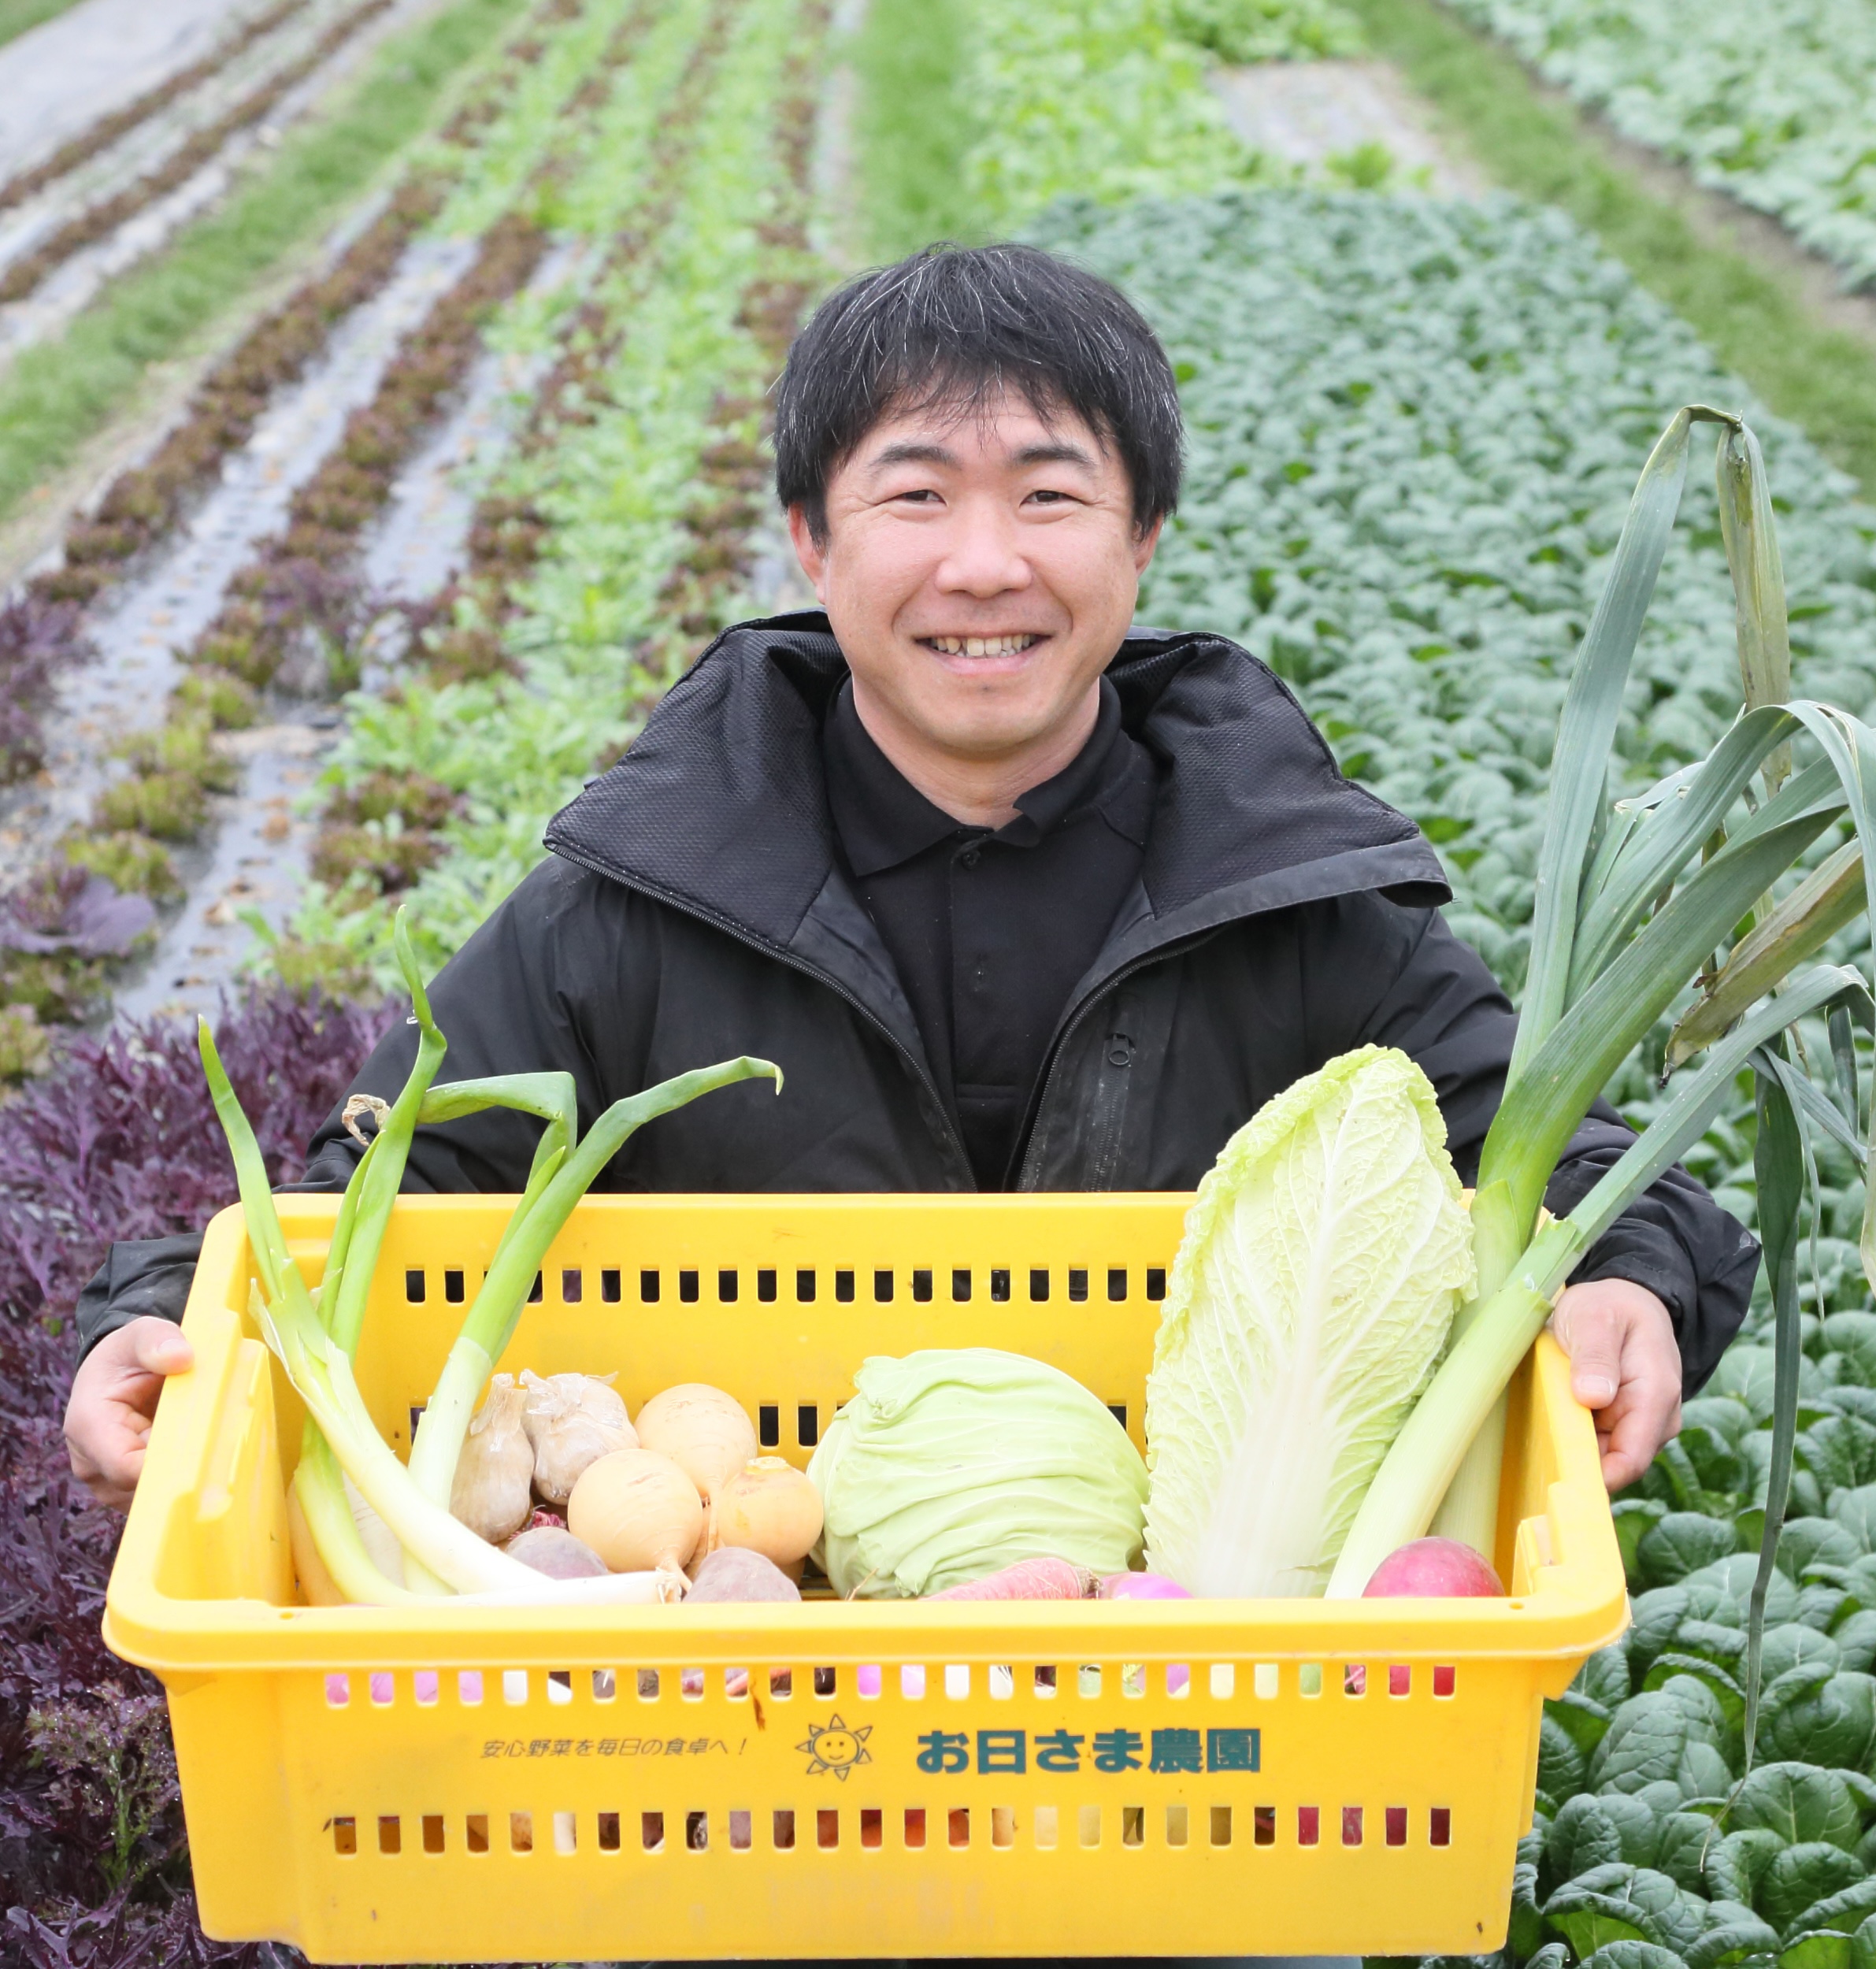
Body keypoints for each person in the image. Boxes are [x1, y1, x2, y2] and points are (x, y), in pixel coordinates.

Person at [64, 242, 1759, 1520]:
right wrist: (159, 1316)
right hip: (731, 1672)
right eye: (914, 494)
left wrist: (1632, 1274)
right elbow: (364, 1192)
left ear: (1141, 535)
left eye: (1048, 495)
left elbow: (1566, 1154)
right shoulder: (633, 900)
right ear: (811, 539)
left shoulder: (1299, 903)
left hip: (1194, 1665)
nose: (982, 564)